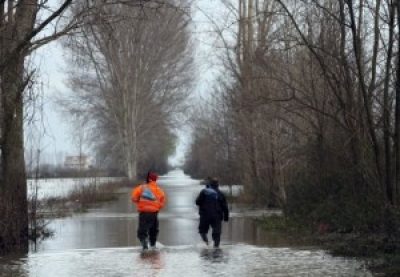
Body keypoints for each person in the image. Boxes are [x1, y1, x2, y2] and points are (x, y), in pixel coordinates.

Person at [131, 171, 166, 250]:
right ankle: (153, 246)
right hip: (154, 214)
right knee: (153, 231)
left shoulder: (141, 188)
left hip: (144, 213)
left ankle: (144, 245)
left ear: (148, 179)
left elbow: (133, 198)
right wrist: (156, 207)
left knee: (142, 232)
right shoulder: (159, 190)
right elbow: (162, 202)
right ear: (155, 180)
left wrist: (140, 202)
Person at [195, 177, 229, 248]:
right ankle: (216, 247)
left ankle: (206, 244)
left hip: (204, 216)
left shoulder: (204, 192)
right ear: (217, 185)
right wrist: (226, 217)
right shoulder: (220, 193)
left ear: (209, 184)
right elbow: (225, 207)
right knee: (217, 233)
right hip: (217, 216)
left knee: (202, 231)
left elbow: (197, 202)